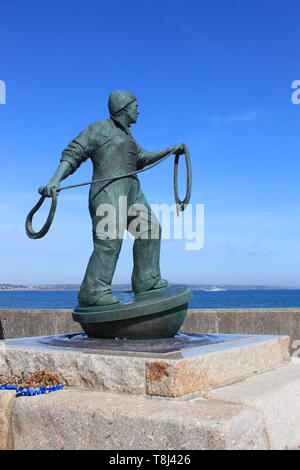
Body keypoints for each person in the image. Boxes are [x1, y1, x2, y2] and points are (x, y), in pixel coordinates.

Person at [40, 91, 184, 306]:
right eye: (136, 106)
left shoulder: (129, 137)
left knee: (150, 230)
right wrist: (55, 180)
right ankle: (93, 291)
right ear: (124, 108)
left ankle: (146, 280)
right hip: (107, 191)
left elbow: (143, 158)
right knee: (109, 241)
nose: (139, 110)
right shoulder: (98, 129)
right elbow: (74, 153)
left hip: (133, 192)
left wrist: (170, 150)